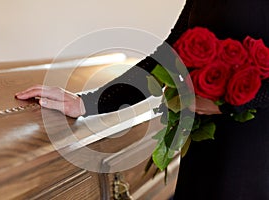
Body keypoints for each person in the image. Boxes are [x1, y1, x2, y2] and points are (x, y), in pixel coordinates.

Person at [16, 0, 269, 199]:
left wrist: (234, 101)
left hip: (254, 152)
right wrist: (89, 102)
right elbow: (170, 53)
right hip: (207, 146)